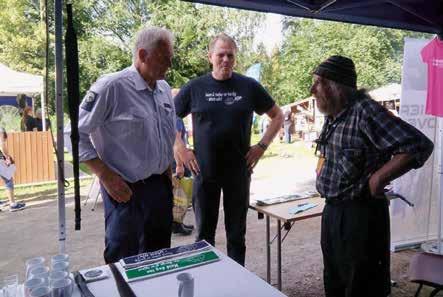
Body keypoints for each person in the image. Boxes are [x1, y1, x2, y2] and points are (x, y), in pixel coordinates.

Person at [311, 55, 434, 297]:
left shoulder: (365, 111)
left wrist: (379, 178)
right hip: (333, 213)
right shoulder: (333, 115)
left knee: (362, 287)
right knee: (335, 281)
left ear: (334, 86)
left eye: (318, 82)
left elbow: (417, 145)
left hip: (361, 217)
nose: (312, 89)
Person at [174, 33, 284, 266]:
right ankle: (207, 282)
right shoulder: (195, 87)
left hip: (238, 171)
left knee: (236, 235)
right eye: (220, 55)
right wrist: (180, 147)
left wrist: (262, 146)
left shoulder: (248, 86)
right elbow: (168, 117)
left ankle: (237, 283)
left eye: (230, 55)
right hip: (204, 171)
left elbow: (277, 116)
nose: (225, 59)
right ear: (210, 57)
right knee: (204, 235)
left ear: (235, 58)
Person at [77, 27, 175, 264]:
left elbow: (164, 135)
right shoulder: (112, 87)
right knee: (123, 260)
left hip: (159, 187)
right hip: (124, 190)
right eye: (164, 59)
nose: (169, 66)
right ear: (142, 55)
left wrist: (168, 173)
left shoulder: (163, 88)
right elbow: (72, 134)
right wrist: (104, 174)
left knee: (158, 257)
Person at [171, 88, 193, 236]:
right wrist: (179, 165)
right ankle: (177, 224)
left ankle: (177, 223)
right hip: (176, 160)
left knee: (175, 195)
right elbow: (176, 142)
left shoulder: (170, 116)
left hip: (173, 159)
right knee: (180, 195)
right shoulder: (176, 118)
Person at [0, 127, 26, 212]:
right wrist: (7, 157)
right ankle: (13, 204)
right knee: (8, 181)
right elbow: (2, 146)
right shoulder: (1, 138)